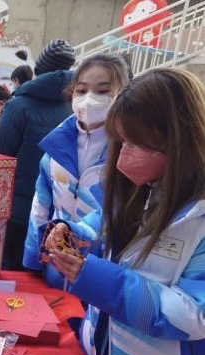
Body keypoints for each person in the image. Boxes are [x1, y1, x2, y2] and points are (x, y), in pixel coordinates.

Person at [45, 68, 205, 355]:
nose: (123, 156)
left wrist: (102, 281)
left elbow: (193, 314)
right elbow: (100, 226)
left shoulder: (197, 215)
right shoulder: (139, 189)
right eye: (121, 142)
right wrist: (71, 234)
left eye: (135, 143)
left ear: (177, 140)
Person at [23, 54, 130, 289]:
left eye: (103, 91)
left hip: (101, 271)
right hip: (55, 265)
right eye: (82, 90)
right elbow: (40, 206)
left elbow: (121, 212)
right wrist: (32, 259)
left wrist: (77, 236)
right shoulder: (56, 145)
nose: (89, 99)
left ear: (122, 94)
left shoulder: (129, 149)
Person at [0, 38, 76, 270]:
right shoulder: (76, 107)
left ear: (38, 70)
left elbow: (0, 156)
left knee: (15, 274)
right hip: (65, 213)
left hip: (19, 210)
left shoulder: (18, 106)